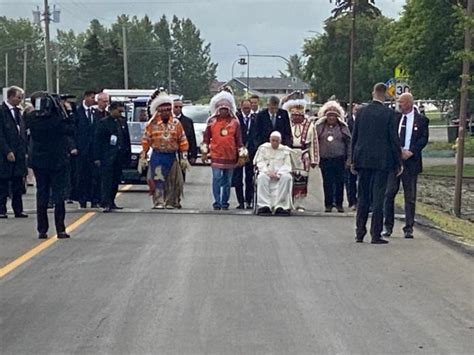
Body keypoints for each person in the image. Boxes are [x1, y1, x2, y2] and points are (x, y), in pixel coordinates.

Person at [351, 83, 402, 244]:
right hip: (382, 161)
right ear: (385, 94)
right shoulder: (389, 114)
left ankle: (360, 233)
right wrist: (398, 162)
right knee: (378, 197)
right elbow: (393, 139)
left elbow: (355, 137)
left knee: (363, 197)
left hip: (363, 159)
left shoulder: (361, 112)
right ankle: (375, 234)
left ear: (373, 93)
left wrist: (352, 159)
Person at [25, 92, 75, 239]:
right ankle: (60, 228)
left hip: (39, 160)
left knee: (42, 194)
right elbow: (71, 128)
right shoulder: (58, 119)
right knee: (59, 195)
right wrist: (66, 110)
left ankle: (42, 229)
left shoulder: (31, 118)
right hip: (57, 160)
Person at [383, 93, 429, 239]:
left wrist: (411, 152)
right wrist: (397, 151)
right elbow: (389, 136)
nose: (399, 105)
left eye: (401, 102)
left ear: (409, 103)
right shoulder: (395, 118)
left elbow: (423, 138)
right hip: (395, 162)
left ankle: (408, 228)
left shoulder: (421, 120)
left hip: (411, 162)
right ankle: (387, 226)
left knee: (410, 196)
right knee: (389, 193)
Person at [140, 90, 189, 209]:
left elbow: (182, 140)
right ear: (158, 111)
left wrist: (184, 157)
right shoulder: (151, 125)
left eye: (168, 110)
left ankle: (171, 201)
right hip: (157, 156)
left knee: (173, 181)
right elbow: (146, 140)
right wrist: (143, 155)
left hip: (171, 156)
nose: (166, 113)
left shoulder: (176, 124)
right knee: (157, 179)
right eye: (164, 110)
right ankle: (158, 202)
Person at [202, 90, 245, 210]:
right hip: (216, 155)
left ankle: (225, 202)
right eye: (221, 109)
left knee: (227, 181)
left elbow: (239, 140)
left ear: (229, 109)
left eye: (226, 109)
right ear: (217, 109)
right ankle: (217, 201)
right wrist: (204, 152)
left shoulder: (235, 123)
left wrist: (241, 154)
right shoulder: (211, 122)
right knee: (216, 178)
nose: (223, 111)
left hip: (230, 156)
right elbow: (206, 138)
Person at [94, 102, 131, 213]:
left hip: (118, 156)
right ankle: (105, 202)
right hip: (107, 156)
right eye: (119, 111)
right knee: (106, 181)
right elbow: (97, 141)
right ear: (112, 110)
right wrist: (97, 157)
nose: (121, 113)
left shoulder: (122, 122)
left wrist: (127, 154)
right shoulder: (103, 123)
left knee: (116, 180)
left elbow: (126, 139)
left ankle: (112, 201)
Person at [283, 99, 319, 212]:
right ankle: (288, 201)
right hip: (289, 154)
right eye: (294, 115)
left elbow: (314, 142)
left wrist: (314, 159)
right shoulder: (286, 124)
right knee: (289, 178)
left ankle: (300, 203)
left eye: (299, 115)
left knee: (302, 180)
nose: (296, 118)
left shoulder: (310, 125)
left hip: (303, 155)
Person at [316, 101, 352, 213]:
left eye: (334, 115)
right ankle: (328, 204)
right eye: (329, 115)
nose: (331, 117)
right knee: (327, 182)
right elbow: (314, 142)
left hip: (339, 158)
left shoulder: (342, 127)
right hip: (325, 159)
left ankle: (339, 204)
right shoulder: (320, 127)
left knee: (339, 182)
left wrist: (349, 159)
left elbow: (349, 143)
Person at [0, 86, 28, 219]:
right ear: (10, 97)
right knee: (3, 183)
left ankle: (18, 209)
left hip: (19, 152)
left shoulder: (18, 112)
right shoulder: (1, 111)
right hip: (5, 154)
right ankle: (1, 209)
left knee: (18, 182)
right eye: (18, 97)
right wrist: (7, 151)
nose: (20, 100)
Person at [254, 131, 293, 215]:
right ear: (270, 140)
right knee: (261, 177)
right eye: (273, 140)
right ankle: (264, 206)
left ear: (280, 141)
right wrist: (267, 172)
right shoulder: (263, 148)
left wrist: (279, 173)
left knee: (287, 177)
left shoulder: (285, 150)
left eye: (277, 141)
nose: (274, 143)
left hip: (280, 174)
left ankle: (281, 206)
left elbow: (287, 165)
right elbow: (259, 162)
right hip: (267, 172)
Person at [74, 90, 100, 208]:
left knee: (94, 176)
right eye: (91, 97)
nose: (93, 100)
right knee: (82, 176)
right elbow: (74, 131)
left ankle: (94, 199)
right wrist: (74, 147)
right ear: (85, 98)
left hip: (93, 150)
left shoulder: (95, 112)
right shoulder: (77, 112)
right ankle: (82, 199)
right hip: (81, 149)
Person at [233, 99, 258, 209]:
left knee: (250, 177)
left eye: (249, 108)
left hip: (252, 152)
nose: (247, 110)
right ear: (241, 107)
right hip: (238, 151)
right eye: (245, 108)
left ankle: (249, 200)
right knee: (238, 178)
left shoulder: (255, 118)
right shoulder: (236, 118)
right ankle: (240, 201)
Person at [345, 103, 360, 210]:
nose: (357, 111)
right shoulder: (348, 122)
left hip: (362, 154)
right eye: (356, 110)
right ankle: (352, 201)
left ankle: (361, 201)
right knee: (350, 180)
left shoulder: (366, 122)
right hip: (351, 153)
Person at [173, 99, 197, 166]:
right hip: (170, 153)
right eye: (176, 107)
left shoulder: (188, 121)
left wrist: (193, 155)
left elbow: (192, 139)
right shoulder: (167, 120)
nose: (178, 109)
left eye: (180, 107)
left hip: (183, 153)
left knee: (182, 174)